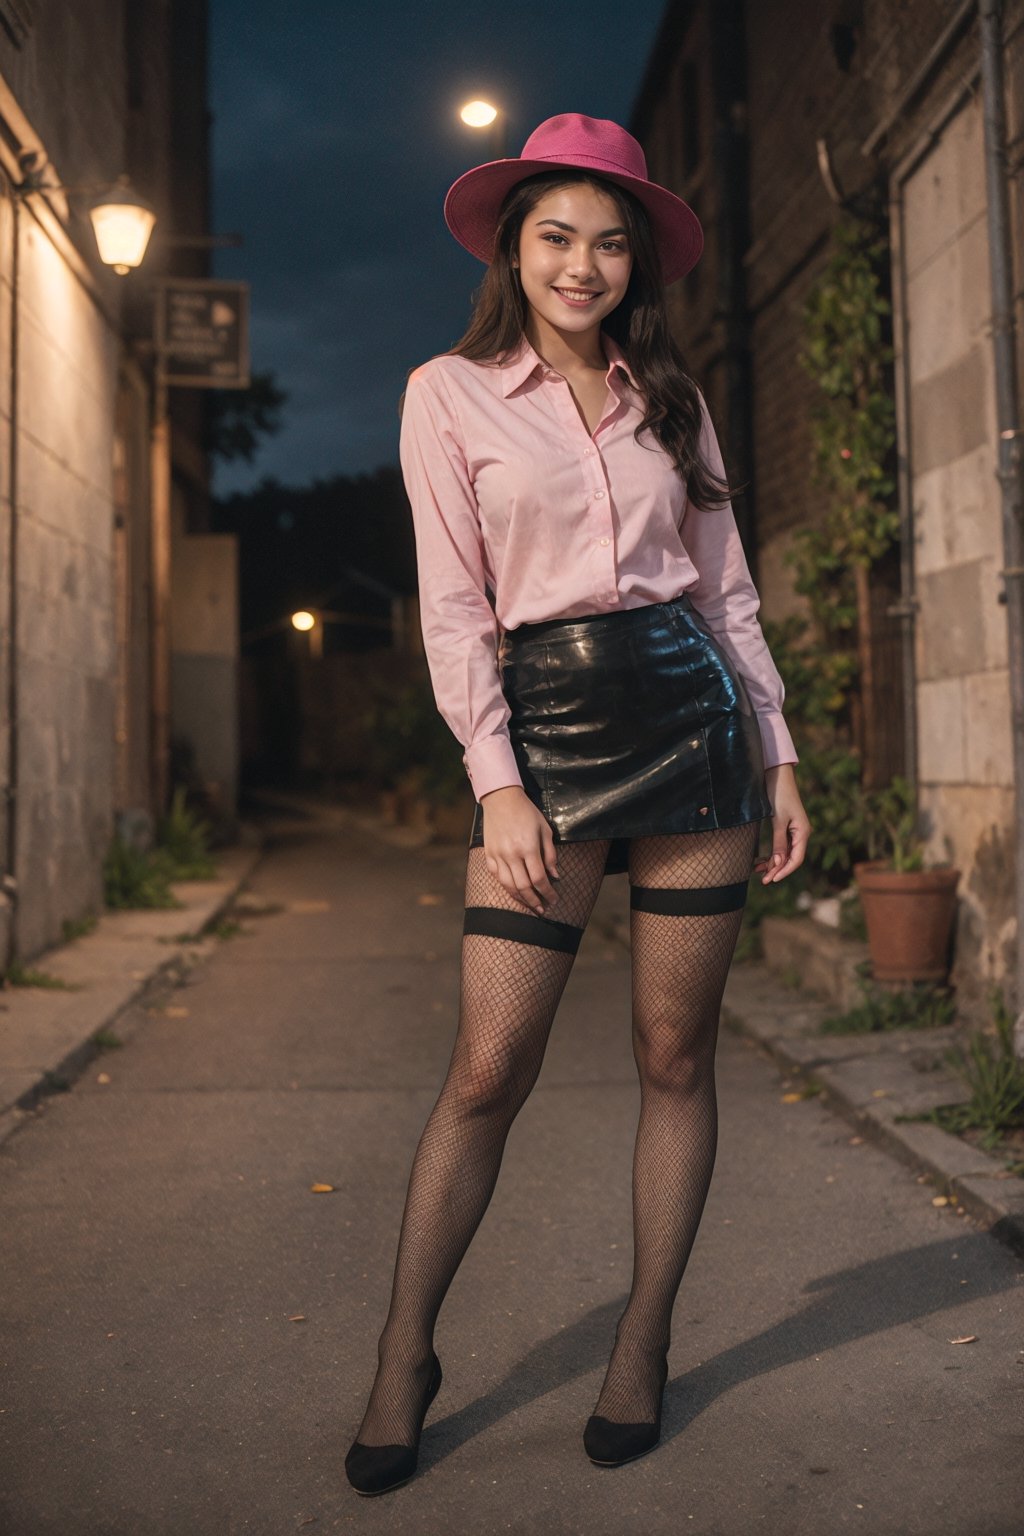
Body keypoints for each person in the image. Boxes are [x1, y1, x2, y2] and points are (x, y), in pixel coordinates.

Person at [345, 112, 812, 1497]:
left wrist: (777, 751)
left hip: (695, 734)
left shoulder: (676, 399)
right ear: (515, 245)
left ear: (635, 267)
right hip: (542, 737)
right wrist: (496, 781)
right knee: (490, 1070)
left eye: (610, 243)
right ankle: (402, 1359)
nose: (583, 263)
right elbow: (452, 610)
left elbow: (726, 595)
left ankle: (643, 1345)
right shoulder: (448, 393)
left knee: (678, 1056)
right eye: (558, 236)